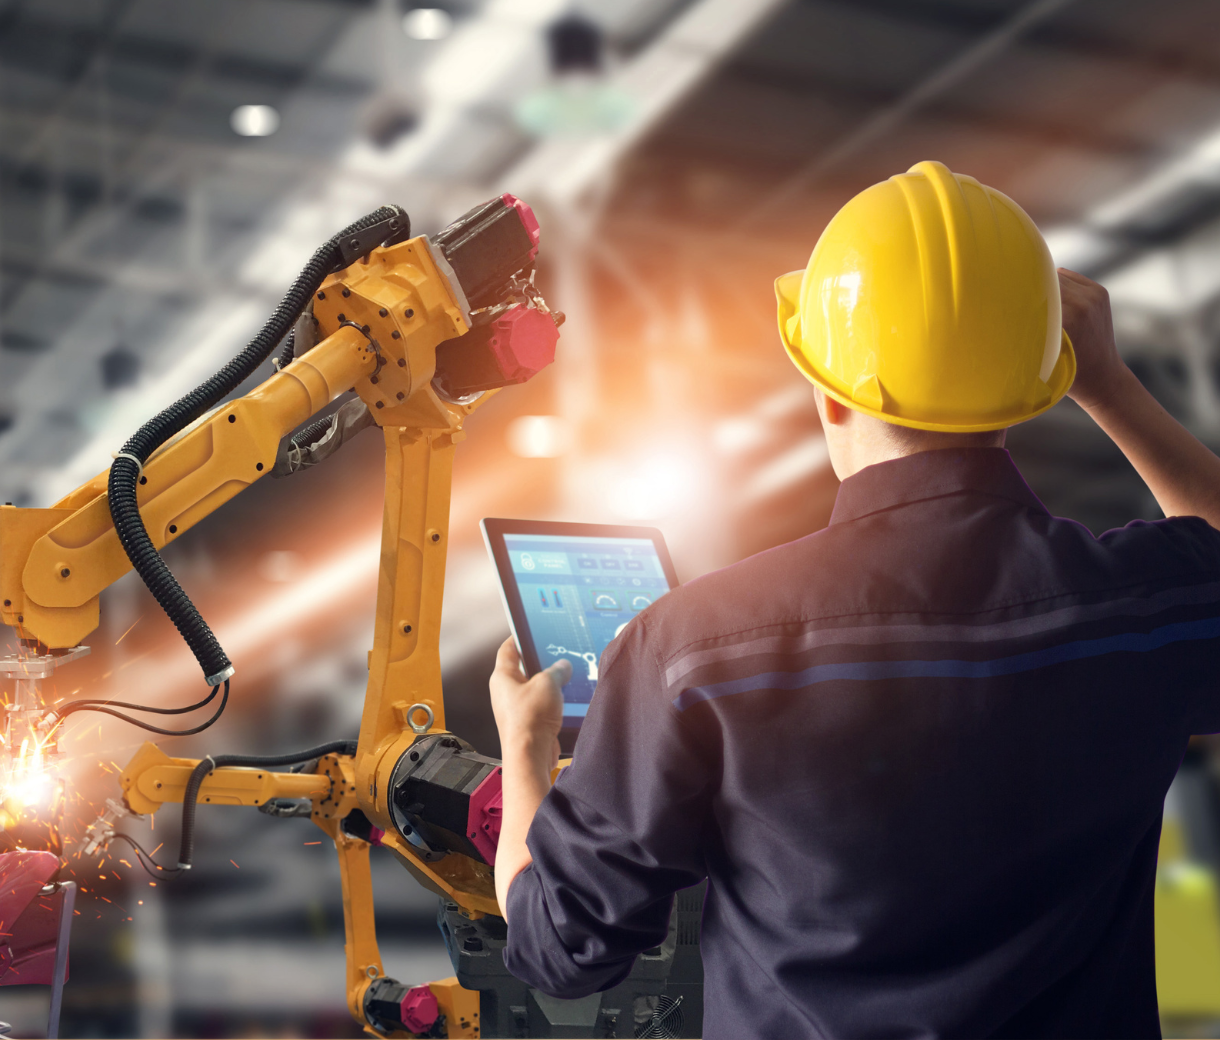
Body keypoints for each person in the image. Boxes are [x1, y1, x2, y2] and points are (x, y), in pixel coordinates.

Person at [488, 160, 1220, 1039]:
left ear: (829, 392)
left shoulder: (691, 650)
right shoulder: (1137, 609)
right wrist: (1108, 380)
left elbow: (561, 948)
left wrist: (525, 752)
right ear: (1040, 379)